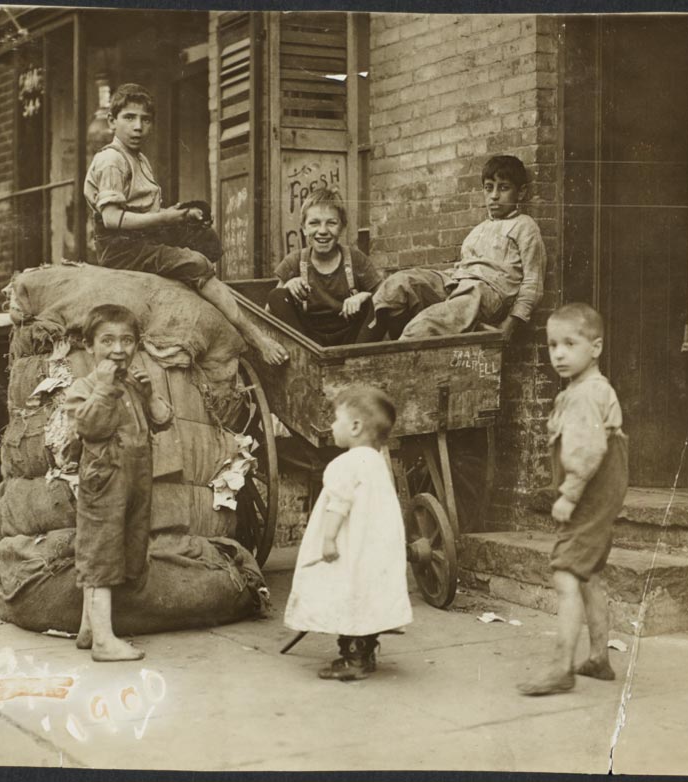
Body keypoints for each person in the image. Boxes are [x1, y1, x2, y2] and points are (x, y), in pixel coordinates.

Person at [84, 83, 287, 365]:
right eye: (129, 118)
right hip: (121, 247)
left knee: (206, 238)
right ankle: (254, 336)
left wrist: (180, 215)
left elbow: (146, 209)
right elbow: (112, 219)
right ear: (112, 121)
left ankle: (212, 300)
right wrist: (166, 218)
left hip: (142, 234)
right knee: (197, 264)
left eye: (145, 120)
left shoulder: (138, 158)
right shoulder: (111, 160)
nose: (137, 127)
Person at [518, 303, 628, 696]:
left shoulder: (584, 396)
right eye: (552, 345)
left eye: (570, 343)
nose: (559, 353)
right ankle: (599, 657)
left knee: (565, 572)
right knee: (588, 575)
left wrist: (568, 495)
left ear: (595, 347)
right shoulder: (585, 390)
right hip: (599, 494)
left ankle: (561, 667)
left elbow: (585, 452)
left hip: (589, 493)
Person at [63, 304, 174, 662]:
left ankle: (88, 628)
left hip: (136, 480)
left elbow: (163, 420)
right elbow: (91, 427)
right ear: (90, 347)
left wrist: (150, 394)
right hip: (104, 481)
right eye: (107, 340)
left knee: (125, 546)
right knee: (101, 553)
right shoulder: (85, 387)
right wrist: (104, 388)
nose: (118, 349)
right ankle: (104, 642)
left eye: (127, 340)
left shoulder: (132, 384)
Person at [284, 385, 413, 681]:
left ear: (355, 426)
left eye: (335, 419)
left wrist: (328, 538)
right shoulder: (378, 463)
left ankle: (353, 659)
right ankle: (363, 652)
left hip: (348, 542)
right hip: (372, 544)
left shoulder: (345, 464)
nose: (331, 426)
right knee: (364, 592)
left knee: (342, 589)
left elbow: (339, 503)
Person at [356, 154, 546, 342]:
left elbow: (533, 285)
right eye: (489, 188)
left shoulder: (525, 226)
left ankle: (395, 360)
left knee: (424, 324)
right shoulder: (477, 231)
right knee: (396, 285)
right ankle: (351, 359)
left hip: (486, 292)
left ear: (520, 193)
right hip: (456, 282)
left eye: (503, 188)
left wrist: (509, 325)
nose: (494, 196)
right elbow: (462, 269)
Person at [266, 188, 383, 346]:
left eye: (331, 223)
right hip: (308, 342)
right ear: (304, 228)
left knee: (374, 303)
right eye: (314, 223)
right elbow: (269, 311)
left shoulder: (356, 259)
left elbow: (385, 298)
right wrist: (287, 287)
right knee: (277, 295)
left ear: (342, 227)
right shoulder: (294, 262)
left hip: (352, 340)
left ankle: (355, 363)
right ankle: (308, 363)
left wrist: (363, 296)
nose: (322, 231)